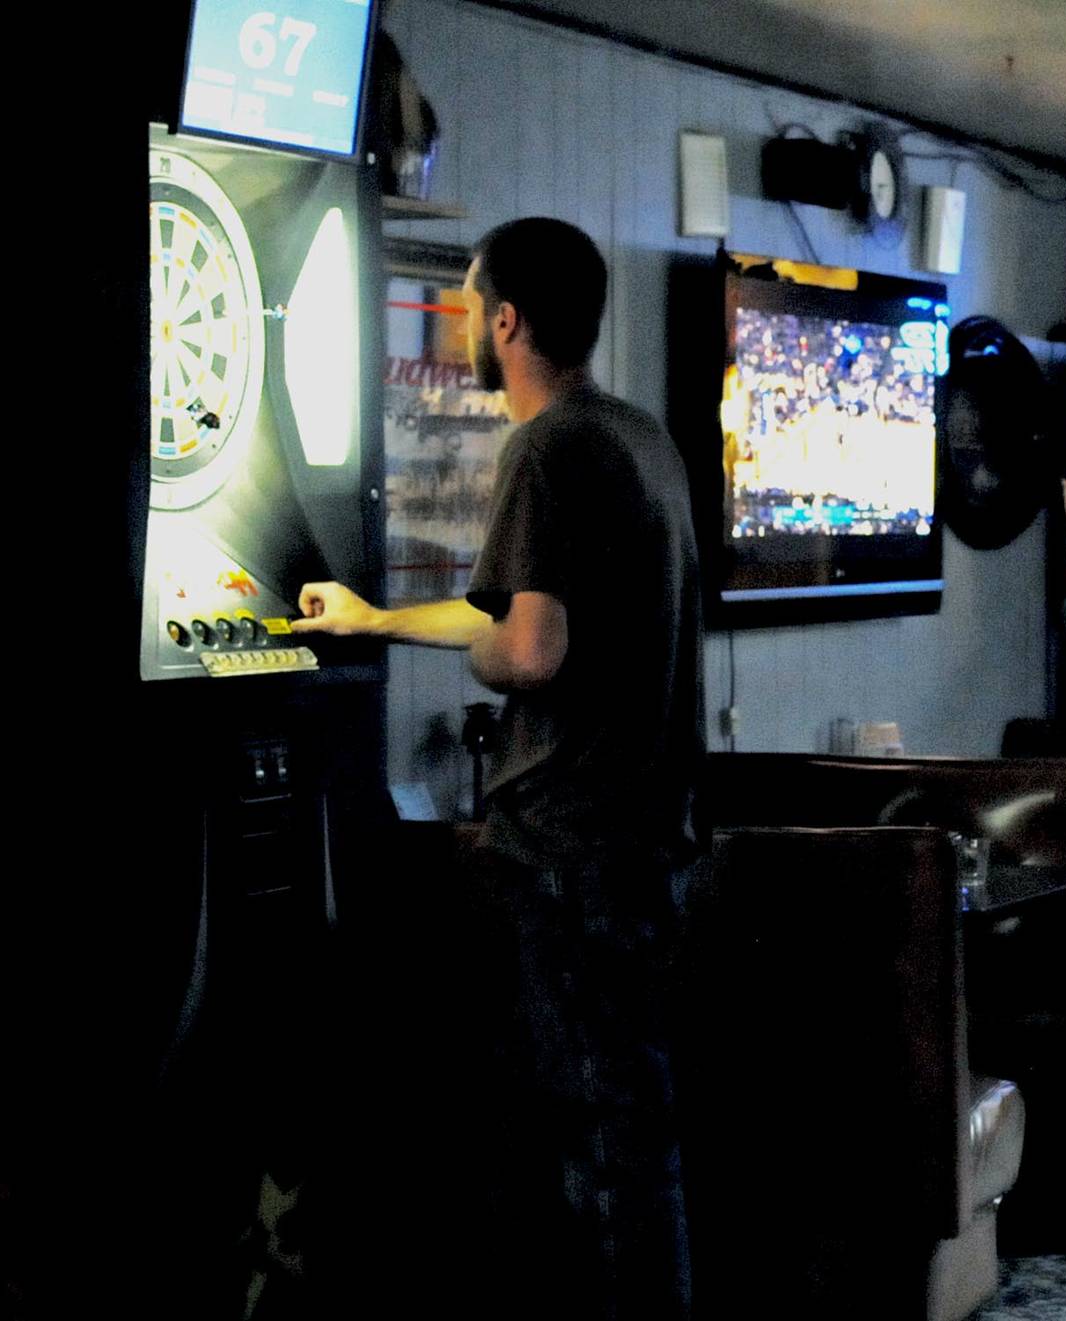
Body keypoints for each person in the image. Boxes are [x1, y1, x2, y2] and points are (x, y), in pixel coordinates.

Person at [294, 216, 702, 1318]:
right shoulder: (637, 438)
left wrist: (478, 652)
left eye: (472, 305)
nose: (469, 324)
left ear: (507, 320)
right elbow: (521, 606)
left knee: (588, 1151)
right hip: (647, 838)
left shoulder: (546, 446)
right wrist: (375, 617)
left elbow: (528, 645)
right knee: (633, 1132)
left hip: (569, 847)